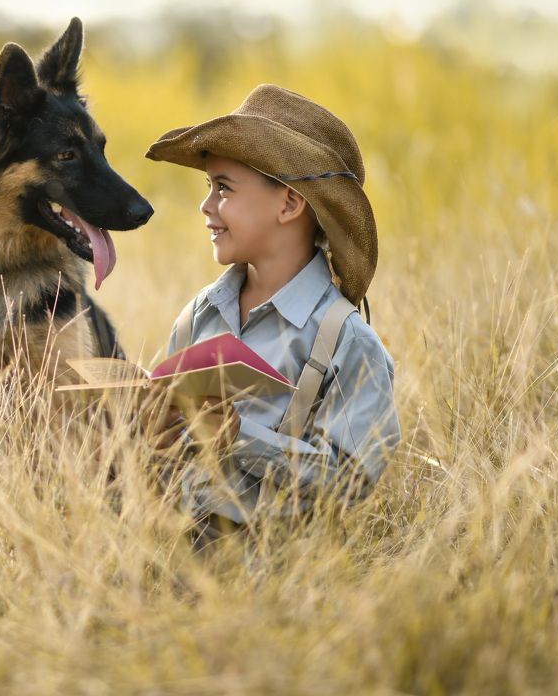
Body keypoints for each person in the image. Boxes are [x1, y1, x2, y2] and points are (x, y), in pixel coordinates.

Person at [141, 84, 401, 550]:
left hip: (276, 574)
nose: (206, 207)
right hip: (171, 557)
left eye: (223, 188)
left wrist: (242, 438)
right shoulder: (198, 316)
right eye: (208, 188)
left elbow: (351, 480)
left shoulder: (345, 341)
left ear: (288, 203)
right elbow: (166, 468)